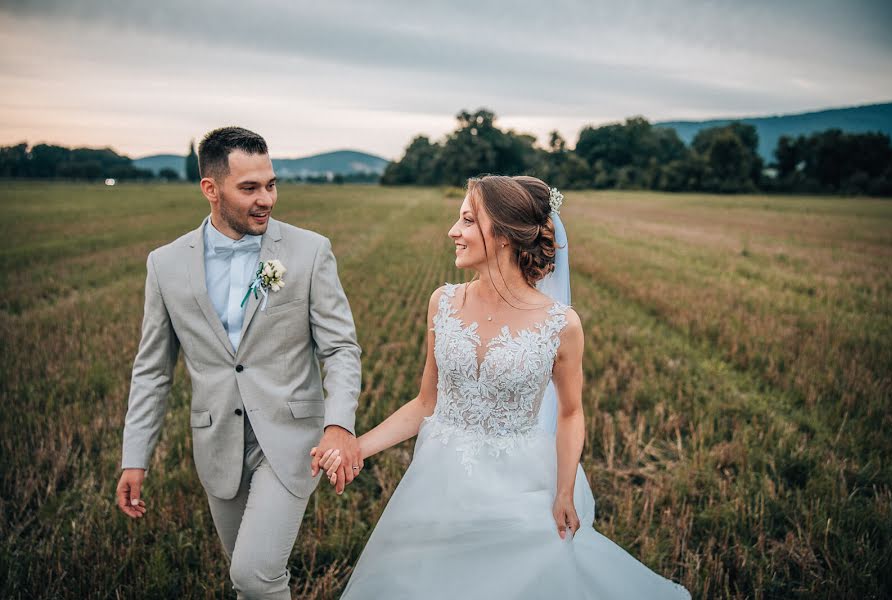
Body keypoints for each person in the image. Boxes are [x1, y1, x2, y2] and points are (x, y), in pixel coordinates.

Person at [311, 175, 690, 599]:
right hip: (440, 477)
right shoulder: (443, 302)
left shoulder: (561, 325)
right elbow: (424, 403)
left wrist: (564, 491)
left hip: (519, 480)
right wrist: (356, 447)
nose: (453, 231)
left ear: (506, 236)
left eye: (469, 221)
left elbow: (570, 413)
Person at [116, 126, 363, 599]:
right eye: (249, 188)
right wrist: (135, 457)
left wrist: (339, 424)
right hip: (217, 442)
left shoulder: (310, 251)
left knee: (254, 574)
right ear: (211, 189)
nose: (266, 199)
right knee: (248, 580)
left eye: (270, 184)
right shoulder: (165, 265)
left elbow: (340, 348)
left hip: (292, 439)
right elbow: (151, 370)